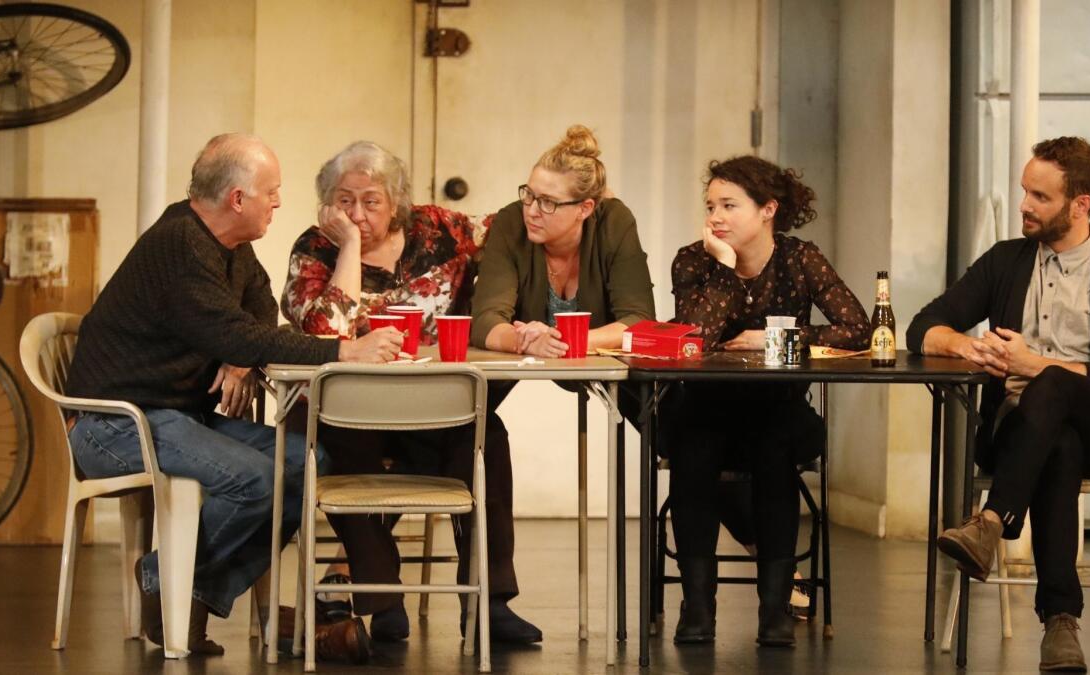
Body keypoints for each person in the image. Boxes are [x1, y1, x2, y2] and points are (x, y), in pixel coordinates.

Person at [63, 134, 403, 659]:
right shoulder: (180, 245)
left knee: (304, 461)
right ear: (237, 199)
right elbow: (233, 328)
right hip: (115, 424)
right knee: (255, 478)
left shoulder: (229, 246)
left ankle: (179, 586)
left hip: (177, 416)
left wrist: (239, 354)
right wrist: (344, 351)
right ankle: (169, 586)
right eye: (272, 192)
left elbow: (256, 307)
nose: (279, 202)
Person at [908, 136, 1090, 672]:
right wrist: (967, 345)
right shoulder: (1005, 261)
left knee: (1053, 385)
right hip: (1023, 436)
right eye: (1024, 191)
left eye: (1039, 197)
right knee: (1057, 444)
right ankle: (1061, 626)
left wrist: (1034, 365)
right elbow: (922, 327)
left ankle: (991, 521)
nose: (1023, 205)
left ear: (1081, 204)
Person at [281, 141, 543, 647]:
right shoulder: (315, 249)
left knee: (486, 437)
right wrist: (351, 249)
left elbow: (513, 223)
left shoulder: (439, 229)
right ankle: (382, 599)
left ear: (397, 201)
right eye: (344, 200)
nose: (356, 213)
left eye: (371, 201)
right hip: (346, 409)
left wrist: (581, 203)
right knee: (337, 453)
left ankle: (490, 603)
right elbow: (324, 327)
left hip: (430, 405)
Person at [664, 155, 870, 648]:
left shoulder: (800, 258)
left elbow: (857, 327)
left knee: (775, 447)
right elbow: (695, 338)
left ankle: (774, 610)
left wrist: (774, 339)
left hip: (778, 406)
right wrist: (725, 269)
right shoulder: (694, 260)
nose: (716, 216)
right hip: (706, 406)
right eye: (711, 205)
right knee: (692, 450)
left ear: (768, 210)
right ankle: (697, 608)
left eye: (730, 205)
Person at [471, 124, 655, 357]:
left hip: (601, 375)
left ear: (584, 208)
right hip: (524, 377)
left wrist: (561, 340)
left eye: (548, 202)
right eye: (529, 195)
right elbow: (485, 320)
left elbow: (638, 321)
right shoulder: (511, 222)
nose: (532, 211)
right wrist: (526, 342)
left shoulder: (614, 222)